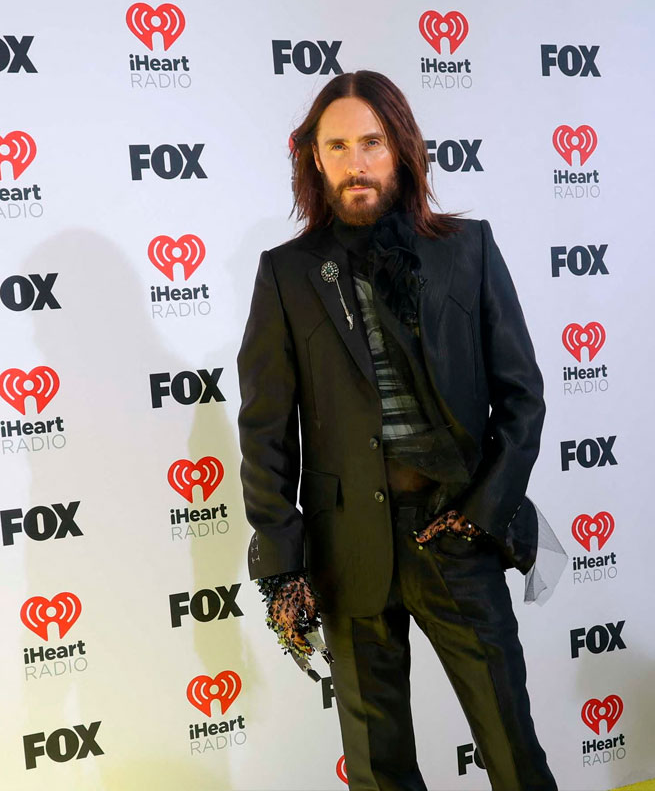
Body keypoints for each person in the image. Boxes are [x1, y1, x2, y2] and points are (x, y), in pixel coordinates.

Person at [237, 70, 558, 791]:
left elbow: (522, 396)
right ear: (315, 159)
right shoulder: (286, 274)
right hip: (345, 547)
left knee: (513, 752)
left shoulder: (469, 249)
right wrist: (283, 561)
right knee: (378, 770)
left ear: (403, 149)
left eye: (372, 143)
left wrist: (482, 513)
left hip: (455, 532)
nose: (356, 163)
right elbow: (264, 429)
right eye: (338, 146)